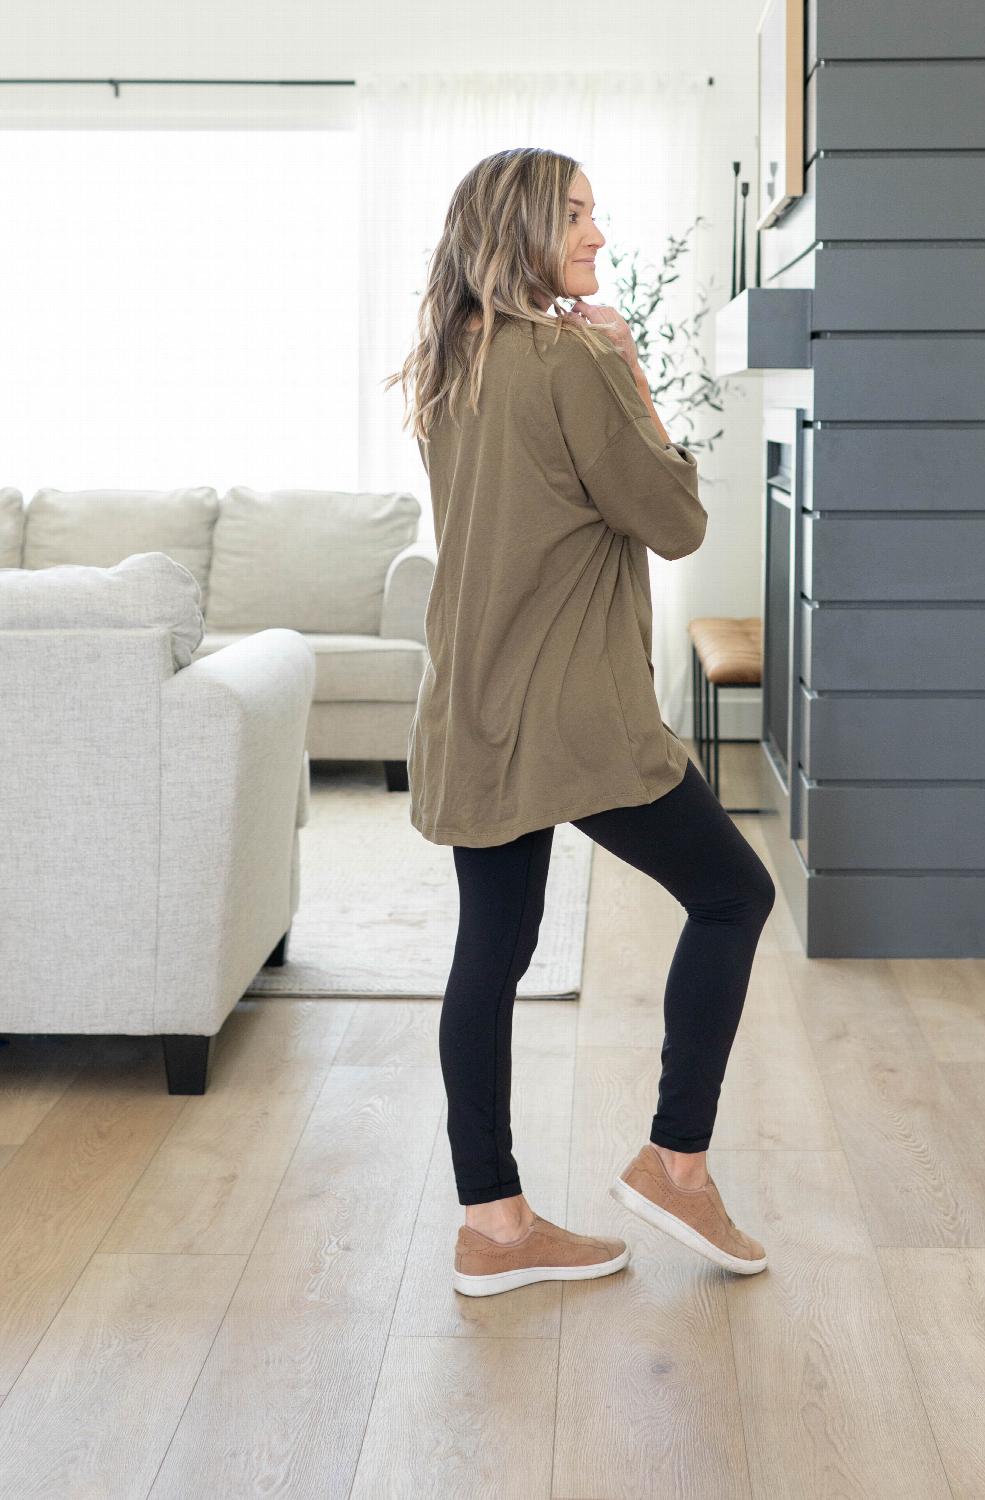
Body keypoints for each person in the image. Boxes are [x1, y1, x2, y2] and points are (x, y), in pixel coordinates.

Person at [385, 146, 776, 1298]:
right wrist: (634, 368)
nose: (598, 236)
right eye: (577, 215)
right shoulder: (568, 357)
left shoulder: (447, 363)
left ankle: (493, 1228)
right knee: (734, 894)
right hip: (575, 715)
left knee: (491, 954)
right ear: (519, 229)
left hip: (473, 696)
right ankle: (676, 1162)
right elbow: (675, 520)